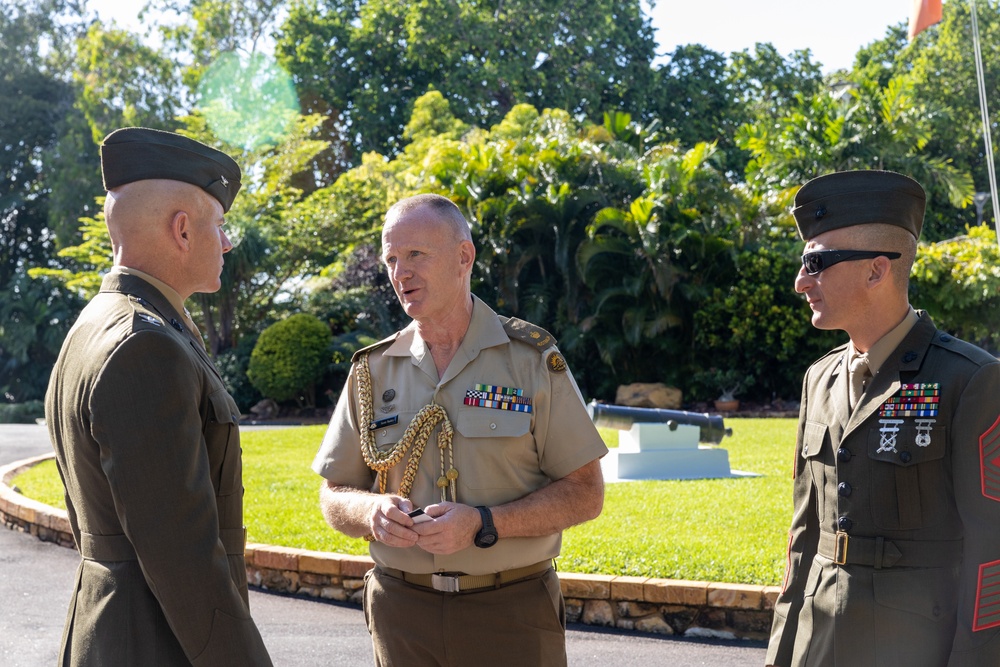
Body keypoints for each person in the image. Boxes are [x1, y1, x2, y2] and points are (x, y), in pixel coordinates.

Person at [312, 193, 607, 666]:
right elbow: (333, 494)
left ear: (463, 257)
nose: (399, 273)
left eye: (415, 255)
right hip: (402, 612)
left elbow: (585, 493)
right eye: (391, 259)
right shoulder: (371, 372)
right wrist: (371, 512)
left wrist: (484, 524)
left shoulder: (530, 360)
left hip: (511, 611)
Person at [45, 127, 273, 666]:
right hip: (156, 643)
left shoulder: (100, 323)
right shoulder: (145, 344)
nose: (228, 241)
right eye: (220, 225)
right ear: (182, 229)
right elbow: (183, 559)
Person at [766, 170, 1000, 666]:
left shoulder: (969, 380)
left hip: (914, 645)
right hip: (818, 640)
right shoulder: (819, 379)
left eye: (816, 262)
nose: (800, 281)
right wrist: (782, 651)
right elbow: (804, 533)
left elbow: (992, 546)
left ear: (876, 271)